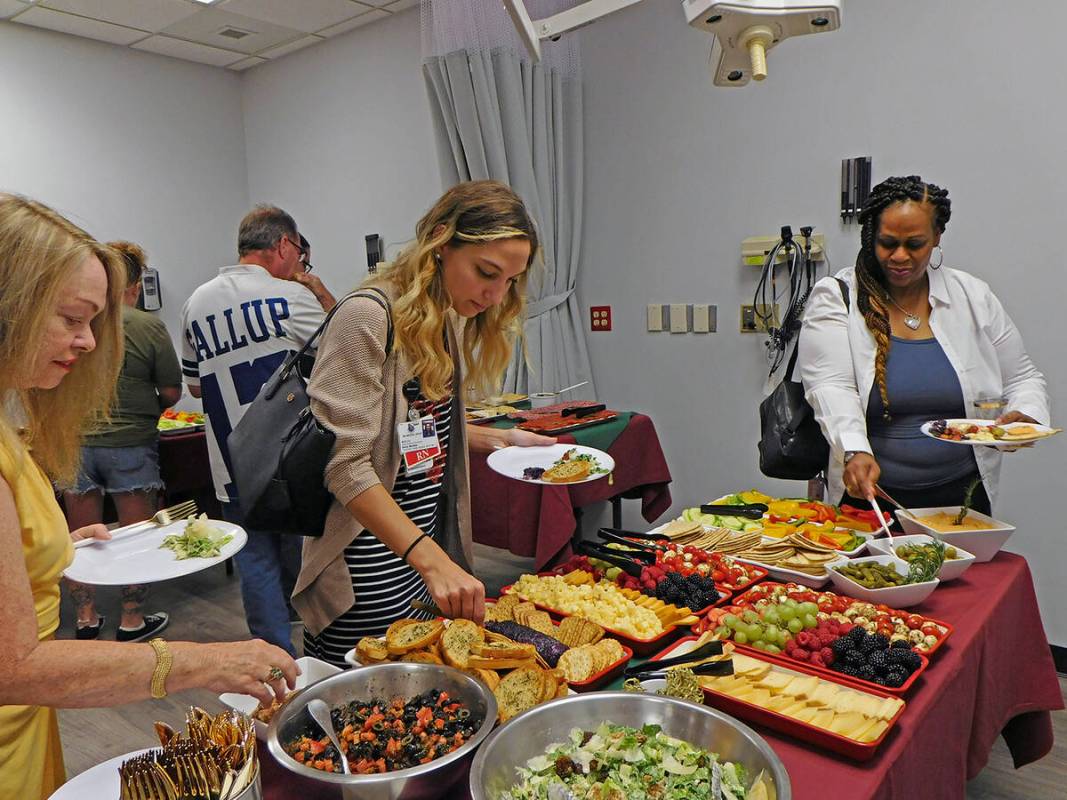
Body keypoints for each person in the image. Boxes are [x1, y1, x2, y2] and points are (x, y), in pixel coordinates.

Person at [0, 194, 297, 800]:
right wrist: (203, 662)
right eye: (71, 318)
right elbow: (14, 667)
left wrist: (57, 541)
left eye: (93, 323)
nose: (85, 343)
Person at [295, 180, 555, 667]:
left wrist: (501, 439)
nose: (496, 295)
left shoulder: (445, 317)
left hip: (420, 547)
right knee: (366, 709)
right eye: (486, 273)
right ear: (441, 241)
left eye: (510, 282)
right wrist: (430, 559)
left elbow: (406, 435)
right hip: (367, 563)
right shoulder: (365, 317)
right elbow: (345, 464)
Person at [798, 175, 1049, 514]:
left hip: (963, 500)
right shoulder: (837, 298)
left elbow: (1023, 377)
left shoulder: (972, 296)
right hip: (871, 499)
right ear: (871, 237)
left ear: (936, 238)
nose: (900, 256)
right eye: (888, 243)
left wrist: (1026, 415)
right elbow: (831, 387)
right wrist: (855, 450)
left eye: (914, 244)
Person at [180, 206, 335, 656]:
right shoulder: (291, 297)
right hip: (289, 454)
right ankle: (319, 647)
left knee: (254, 558)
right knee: (303, 548)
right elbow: (350, 348)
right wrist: (318, 290)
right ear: (285, 245)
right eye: (302, 258)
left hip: (229, 456)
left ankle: (271, 658)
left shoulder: (195, 302)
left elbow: (194, 383)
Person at [62, 241, 180, 643]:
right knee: (138, 534)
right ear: (133, 283)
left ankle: (86, 617)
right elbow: (172, 392)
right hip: (130, 442)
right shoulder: (147, 325)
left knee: (81, 538)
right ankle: (131, 619)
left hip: (73, 443)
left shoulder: (76, 319)